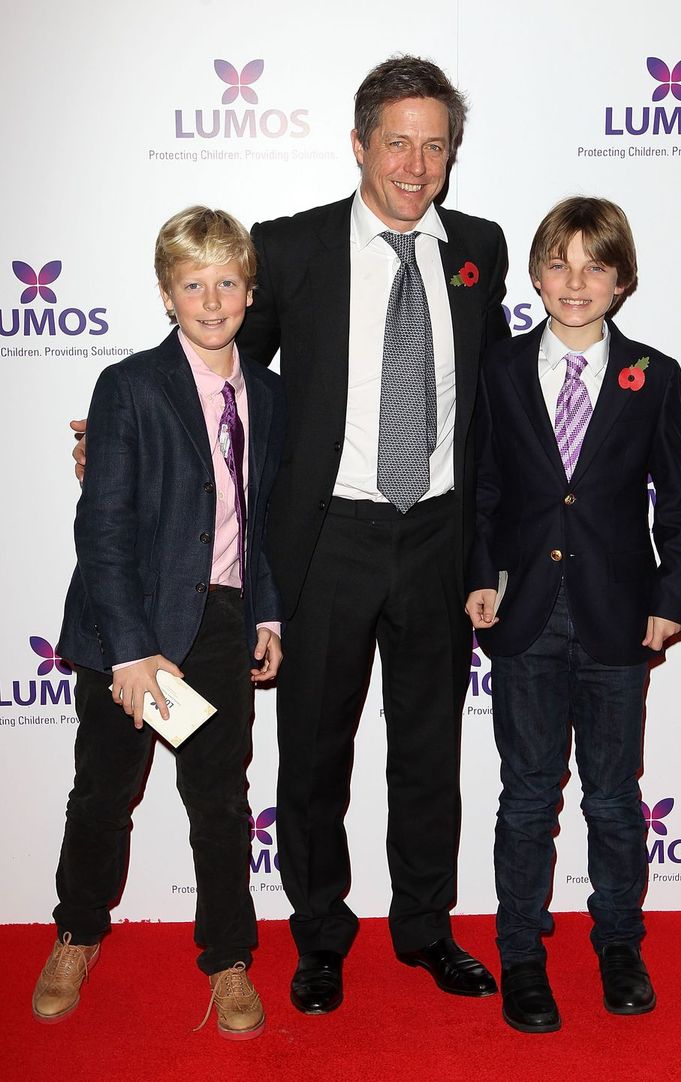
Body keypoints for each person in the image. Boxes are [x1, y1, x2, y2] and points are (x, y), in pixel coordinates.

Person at [73, 56, 510, 1014]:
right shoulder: (294, 249)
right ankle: (320, 939)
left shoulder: (481, 249)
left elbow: (485, 403)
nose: (414, 161)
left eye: (435, 144)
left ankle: (428, 930)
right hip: (328, 542)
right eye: (396, 140)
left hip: (435, 534)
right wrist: (117, 437)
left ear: (451, 157)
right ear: (358, 144)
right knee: (314, 754)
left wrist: (487, 548)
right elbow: (222, 377)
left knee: (431, 749)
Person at [35, 206, 286, 1040]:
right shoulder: (130, 386)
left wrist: (269, 613)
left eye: (225, 282)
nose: (211, 300)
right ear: (166, 293)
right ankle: (76, 934)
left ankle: (228, 959)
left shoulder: (272, 394)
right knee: (103, 795)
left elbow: (266, 522)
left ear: (249, 289)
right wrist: (132, 652)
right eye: (192, 284)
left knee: (220, 802)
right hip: (129, 624)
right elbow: (101, 528)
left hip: (221, 620)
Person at [465, 196, 681, 1033]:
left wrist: (671, 602)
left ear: (622, 280)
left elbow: (679, 506)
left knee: (611, 795)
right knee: (527, 796)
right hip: (524, 614)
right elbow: (483, 492)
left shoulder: (653, 374)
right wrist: (481, 578)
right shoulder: (498, 368)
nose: (575, 282)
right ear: (535, 276)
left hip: (616, 619)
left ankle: (618, 943)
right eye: (558, 265)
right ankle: (521, 952)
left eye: (594, 266)